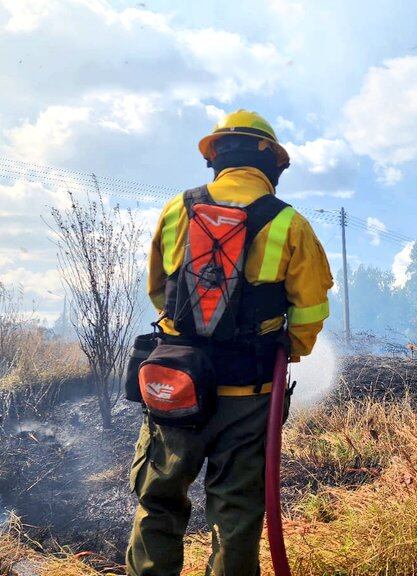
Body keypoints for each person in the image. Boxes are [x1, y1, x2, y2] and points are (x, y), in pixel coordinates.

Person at [126, 109, 333, 575]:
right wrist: (288, 349)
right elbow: (310, 313)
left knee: (158, 500)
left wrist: (189, 336)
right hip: (249, 395)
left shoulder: (177, 209)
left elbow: (159, 289)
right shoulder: (290, 224)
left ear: (216, 157)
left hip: (177, 385)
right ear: (272, 164)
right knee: (235, 513)